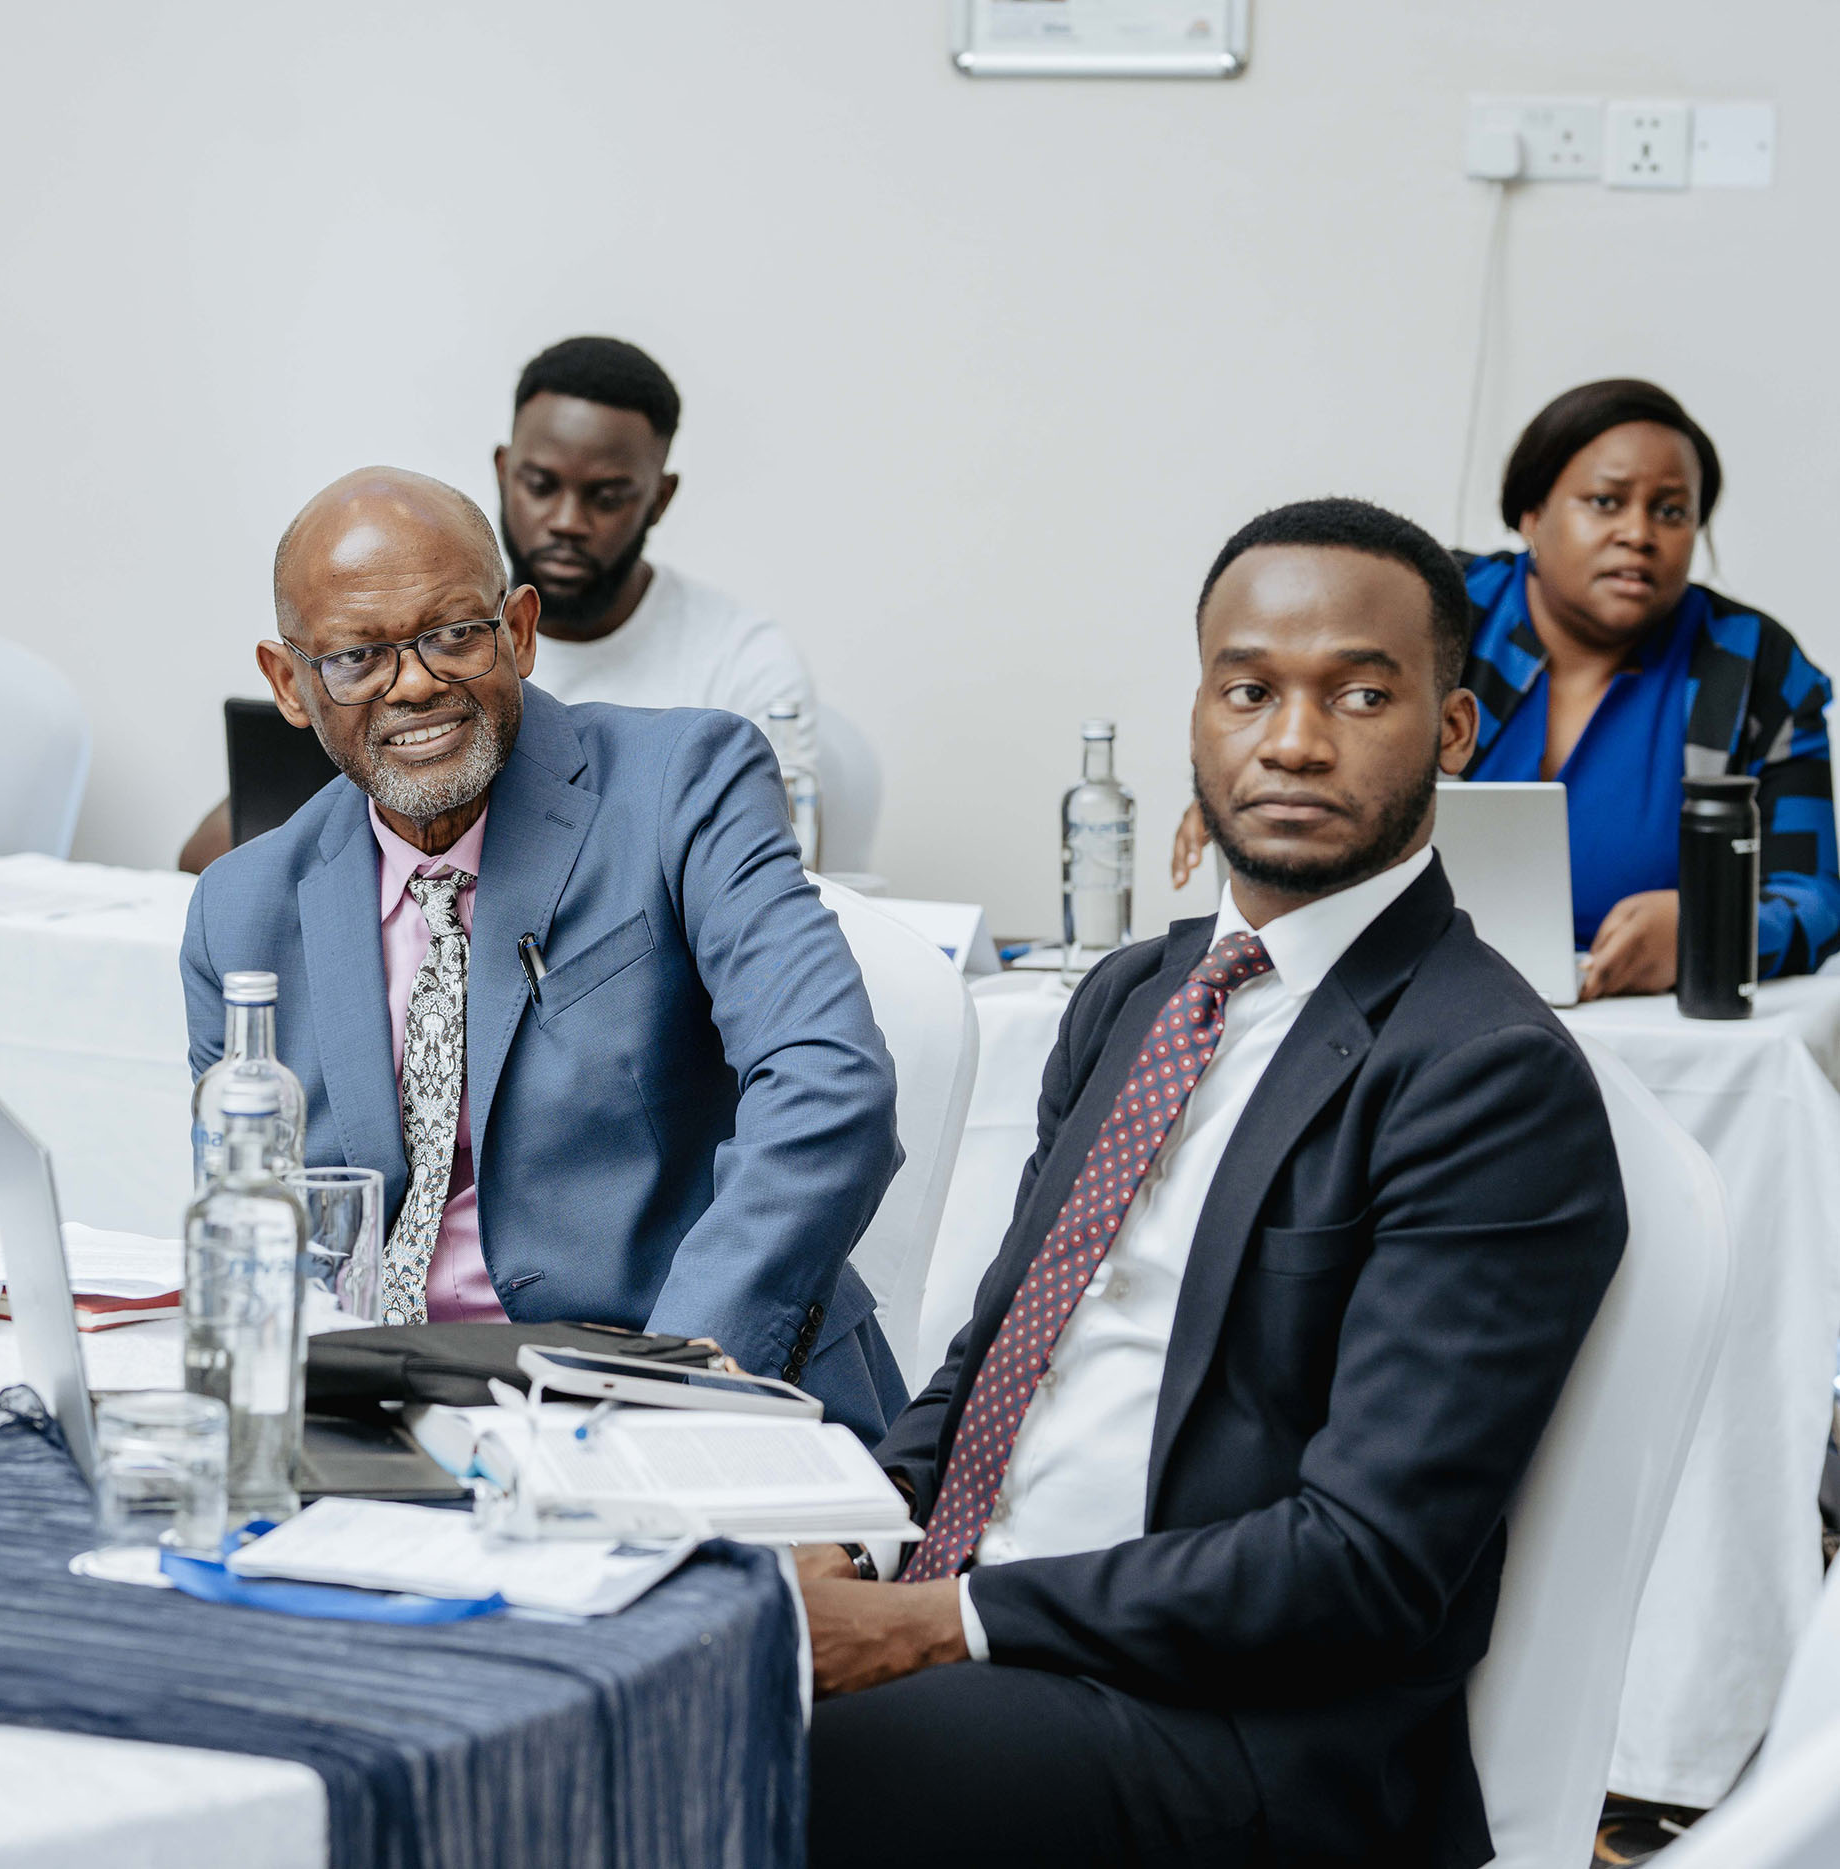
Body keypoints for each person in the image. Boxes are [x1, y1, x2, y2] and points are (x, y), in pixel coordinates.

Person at [802, 498, 1625, 1868]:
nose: (1292, 740)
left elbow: (1363, 1563)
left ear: (1452, 730)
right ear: (1196, 714)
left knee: (750, 1756)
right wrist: (854, 1541)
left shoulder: (1484, 1073)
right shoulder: (1131, 994)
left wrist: (936, 1625)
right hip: (976, 1625)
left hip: (1232, 1731)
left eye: (1359, 695)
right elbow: (997, 1357)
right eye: (1248, 691)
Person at [179, 467, 904, 1437]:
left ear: (518, 631)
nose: (414, 683)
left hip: (670, 1392)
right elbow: (253, 1219)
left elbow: (828, 1087)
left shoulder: (683, 785)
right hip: (385, 1420)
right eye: (356, 657)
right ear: (290, 685)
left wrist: (677, 1387)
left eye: (453, 634)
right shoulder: (240, 909)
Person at [1176, 380, 1836, 997]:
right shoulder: (1430, 613)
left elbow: (1816, 899)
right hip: (1392, 988)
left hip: (1646, 1023)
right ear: (1531, 513)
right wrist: (1255, 789)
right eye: (1605, 502)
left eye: (1670, 511)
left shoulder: (1755, 666)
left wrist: (1710, 929)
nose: (1638, 534)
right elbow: (1296, 698)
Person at [176, 336, 816, 872]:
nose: (566, 521)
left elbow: (769, 867)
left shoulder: (743, 664)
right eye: (541, 484)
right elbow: (222, 853)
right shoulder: (381, 629)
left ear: (519, 634)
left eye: (607, 496)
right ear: (505, 471)